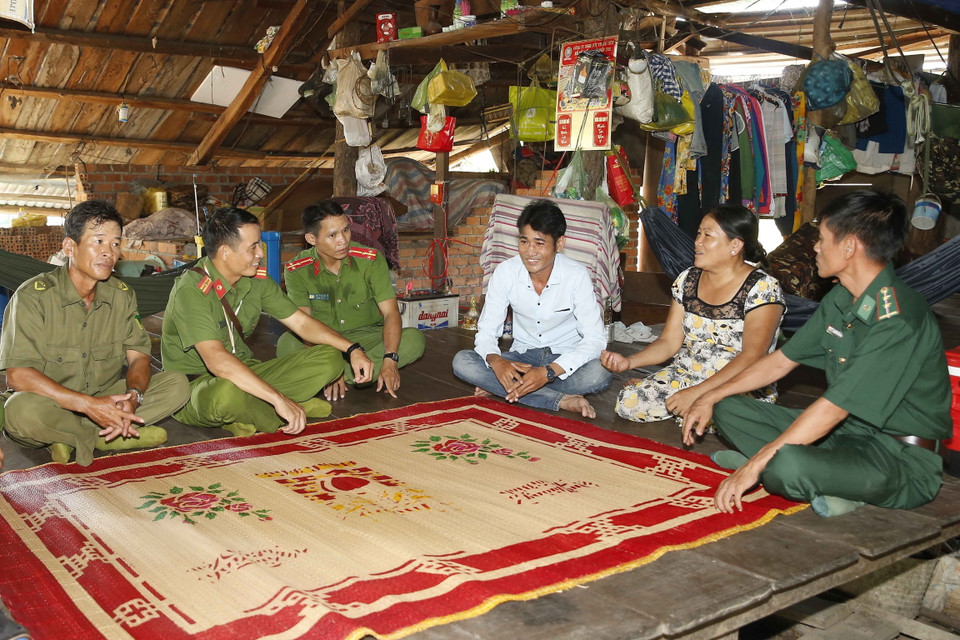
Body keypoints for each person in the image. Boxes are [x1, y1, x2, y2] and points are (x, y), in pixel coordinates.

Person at [682, 190, 952, 517]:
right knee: (727, 406)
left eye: (822, 239)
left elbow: (834, 408)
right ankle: (804, 471)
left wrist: (754, 467)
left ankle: (784, 470)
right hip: (845, 434)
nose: (815, 248)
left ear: (849, 246)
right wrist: (710, 396)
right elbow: (780, 362)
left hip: (897, 457)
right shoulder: (841, 297)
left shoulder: (897, 319)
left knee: (788, 467)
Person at [0, 200, 190, 465]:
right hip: (51, 403)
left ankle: (73, 435)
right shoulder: (33, 297)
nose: (109, 252)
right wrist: (87, 405)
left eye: (115, 243)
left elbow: (139, 357)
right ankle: (101, 435)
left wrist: (134, 397)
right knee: (20, 411)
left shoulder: (122, 296)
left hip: (104, 396)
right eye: (98, 241)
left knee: (178, 384)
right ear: (70, 247)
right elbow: (18, 376)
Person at [161, 207, 374, 437]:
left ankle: (252, 412)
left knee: (331, 357)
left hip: (248, 371)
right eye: (252, 247)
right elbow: (217, 362)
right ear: (225, 252)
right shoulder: (191, 290)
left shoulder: (256, 279)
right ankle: (278, 411)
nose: (260, 254)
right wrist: (278, 398)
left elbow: (301, 323)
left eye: (259, 245)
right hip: (197, 386)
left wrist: (352, 349)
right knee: (226, 395)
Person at [602, 205, 784, 423]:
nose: (697, 241)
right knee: (629, 403)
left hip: (738, 384)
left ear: (735, 245)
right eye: (699, 233)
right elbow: (669, 342)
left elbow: (752, 357)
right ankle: (681, 402)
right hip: (688, 374)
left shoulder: (762, 288)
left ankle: (691, 407)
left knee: (727, 416)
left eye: (708, 235)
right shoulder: (687, 280)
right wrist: (629, 362)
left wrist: (698, 393)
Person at [452, 199, 611, 418]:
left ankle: (505, 387)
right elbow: (487, 332)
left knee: (599, 373)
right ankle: (560, 399)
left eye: (539, 243)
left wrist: (548, 372)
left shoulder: (576, 276)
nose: (530, 252)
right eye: (524, 241)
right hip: (523, 358)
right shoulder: (506, 272)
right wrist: (497, 363)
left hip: (563, 361)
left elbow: (595, 339)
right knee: (462, 362)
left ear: (560, 243)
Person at [276, 200, 425, 401]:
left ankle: (337, 373)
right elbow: (305, 325)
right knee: (287, 344)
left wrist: (390, 359)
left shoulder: (370, 259)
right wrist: (332, 368)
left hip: (368, 338)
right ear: (312, 239)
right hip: (323, 341)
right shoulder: (297, 269)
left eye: (346, 230)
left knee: (414, 339)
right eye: (332, 235)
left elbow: (391, 313)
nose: (343, 241)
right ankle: (357, 373)